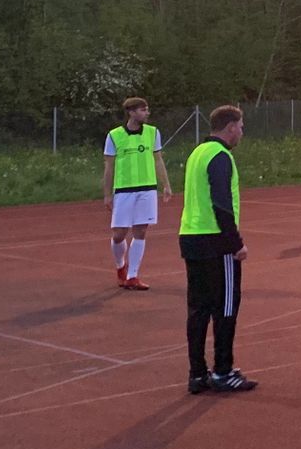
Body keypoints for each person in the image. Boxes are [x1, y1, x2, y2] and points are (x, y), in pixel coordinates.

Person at [180, 104, 257, 393]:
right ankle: (223, 371)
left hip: (191, 236)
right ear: (230, 127)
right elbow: (221, 203)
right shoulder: (221, 156)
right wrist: (235, 243)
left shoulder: (197, 153)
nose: (242, 132)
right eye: (241, 127)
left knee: (198, 309)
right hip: (216, 241)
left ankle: (197, 373)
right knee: (225, 308)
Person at [102, 97, 171, 290]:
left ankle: (133, 276)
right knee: (119, 234)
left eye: (147, 109)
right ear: (131, 112)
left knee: (140, 231)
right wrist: (107, 194)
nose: (147, 113)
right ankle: (120, 266)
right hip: (124, 190)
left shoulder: (152, 132)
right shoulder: (114, 135)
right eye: (143, 110)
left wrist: (165, 184)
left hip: (147, 188)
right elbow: (109, 167)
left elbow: (158, 160)